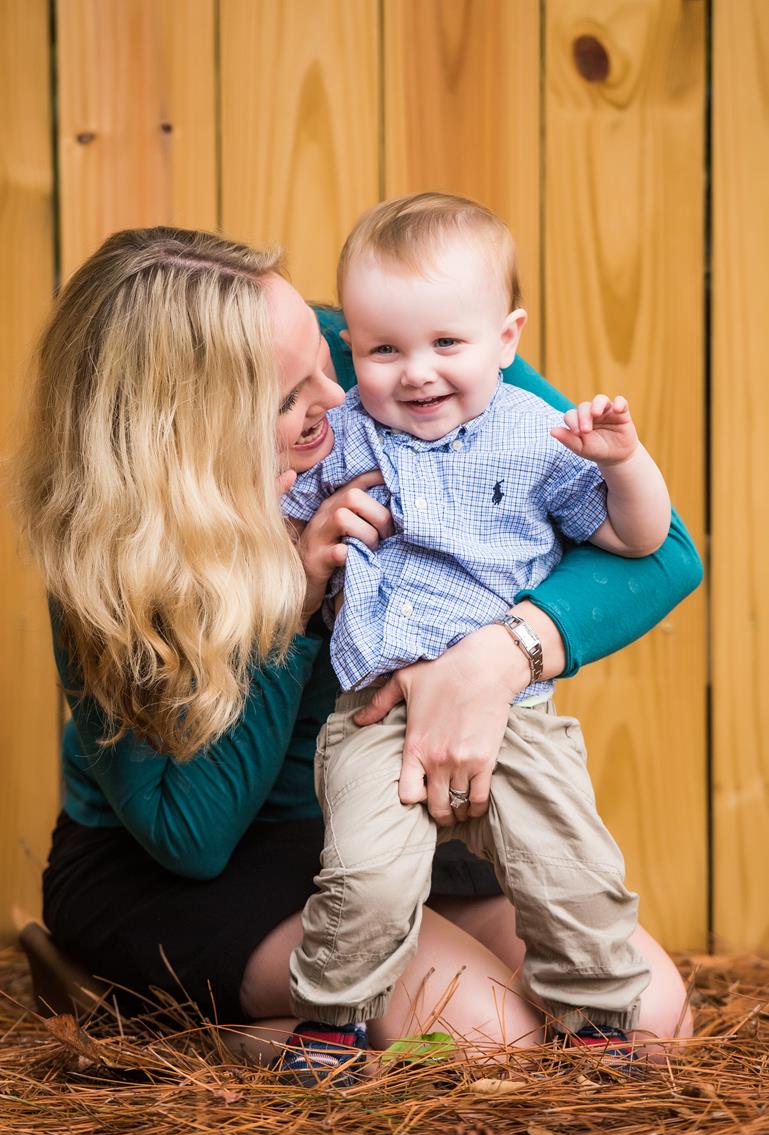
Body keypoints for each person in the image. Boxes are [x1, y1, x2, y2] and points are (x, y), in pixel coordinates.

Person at [11, 224, 699, 1071]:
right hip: (195, 866)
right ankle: (206, 1044)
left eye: (328, 355)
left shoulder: (392, 346)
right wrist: (296, 598)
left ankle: (315, 1039)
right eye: (290, 397)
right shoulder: (105, 546)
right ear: (183, 439)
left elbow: (664, 549)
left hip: (393, 814)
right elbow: (189, 833)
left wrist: (500, 653)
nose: (339, 395)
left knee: (651, 1021)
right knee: (492, 1044)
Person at [277, 192, 678, 1083]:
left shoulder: (536, 437)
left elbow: (640, 541)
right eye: (384, 349)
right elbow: (265, 546)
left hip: (518, 717)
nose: (414, 373)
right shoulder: (338, 438)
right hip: (376, 716)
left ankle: (599, 1025)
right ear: (354, 350)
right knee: (367, 879)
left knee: (571, 872)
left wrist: (624, 463)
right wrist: (301, 554)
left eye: (445, 344)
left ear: (507, 338)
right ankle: (329, 1025)